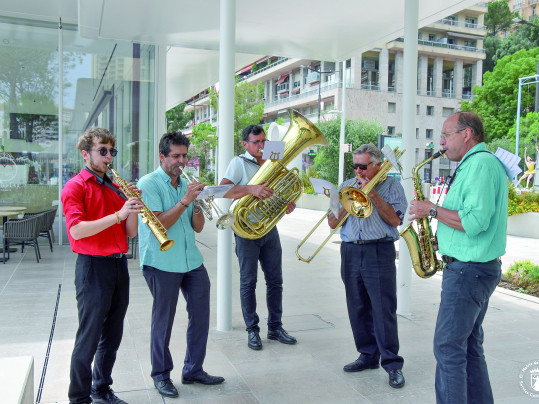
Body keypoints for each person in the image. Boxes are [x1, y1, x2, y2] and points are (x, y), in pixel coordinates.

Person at [408, 111, 508, 404]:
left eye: (446, 135)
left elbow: (475, 223)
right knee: (469, 347)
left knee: (448, 347)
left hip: (469, 272)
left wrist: (432, 210)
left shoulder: (479, 165)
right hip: (472, 269)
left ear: (466, 135)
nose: (441, 142)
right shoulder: (475, 164)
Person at [137, 131, 224, 398]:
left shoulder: (184, 183)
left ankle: (193, 369)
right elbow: (158, 224)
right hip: (162, 261)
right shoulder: (148, 183)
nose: (181, 161)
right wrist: (185, 199)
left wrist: (197, 204)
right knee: (163, 321)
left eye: (185, 155)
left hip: (191, 261)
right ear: (162, 156)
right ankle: (161, 375)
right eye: (176, 156)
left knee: (200, 316)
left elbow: (197, 228)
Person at [62, 127, 142, 404]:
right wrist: (117, 214)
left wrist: (132, 207)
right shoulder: (75, 186)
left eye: (112, 151)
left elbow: (130, 232)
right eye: (103, 151)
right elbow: (77, 231)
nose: (109, 156)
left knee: (113, 334)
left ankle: (101, 387)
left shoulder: (115, 185)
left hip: (119, 265)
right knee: (89, 335)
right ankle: (79, 397)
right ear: (86, 154)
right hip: (93, 267)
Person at [328, 143, 407, 389]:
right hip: (350, 250)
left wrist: (371, 194)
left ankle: (392, 364)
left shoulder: (392, 186)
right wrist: (347, 201)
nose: (358, 171)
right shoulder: (345, 185)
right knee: (357, 306)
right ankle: (367, 355)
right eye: (355, 165)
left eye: (363, 166)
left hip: (378, 250)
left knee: (383, 309)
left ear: (377, 164)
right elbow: (332, 223)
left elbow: (395, 220)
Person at [220, 124, 297, 351]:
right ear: (245, 144)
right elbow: (222, 189)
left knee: (276, 281)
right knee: (248, 282)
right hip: (246, 231)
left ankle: (275, 327)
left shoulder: (272, 162)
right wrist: (250, 189)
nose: (261, 146)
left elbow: (278, 192)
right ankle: (252, 330)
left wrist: (286, 203)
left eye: (263, 141)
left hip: (269, 228)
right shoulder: (238, 163)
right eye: (257, 142)